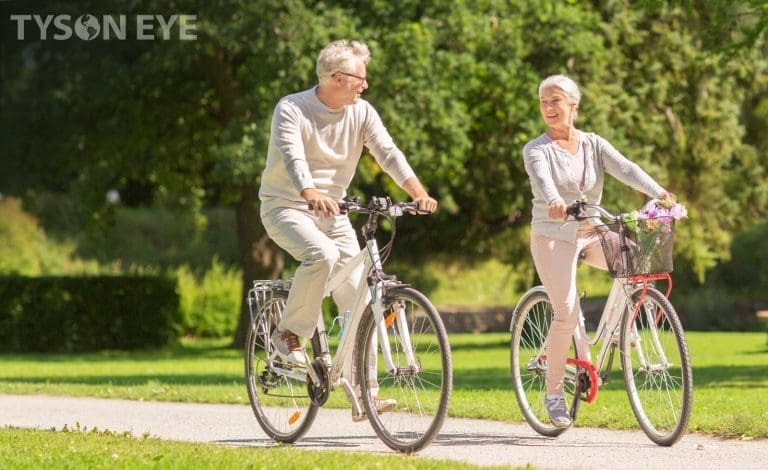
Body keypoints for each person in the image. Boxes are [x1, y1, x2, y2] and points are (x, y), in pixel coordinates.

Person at [258, 39, 437, 421]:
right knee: (319, 255)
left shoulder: (362, 112)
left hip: (334, 212)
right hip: (286, 207)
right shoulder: (292, 108)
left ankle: (365, 393)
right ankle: (287, 335)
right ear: (338, 78)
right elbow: (293, 156)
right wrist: (308, 191)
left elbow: (388, 153)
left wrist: (417, 193)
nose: (365, 85)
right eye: (360, 78)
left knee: (357, 295)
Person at [522, 74, 676, 428]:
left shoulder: (593, 144)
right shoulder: (536, 149)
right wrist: (556, 201)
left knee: (636, 262)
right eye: (543, 101)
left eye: (555, 100)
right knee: (565, 312)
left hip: (592, 231)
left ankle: (620, 331)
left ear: (573, 105)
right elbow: (543, 181)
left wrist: (659, 193)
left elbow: (626, 169)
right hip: (553, 234)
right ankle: (555, 396)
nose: (548, 107)